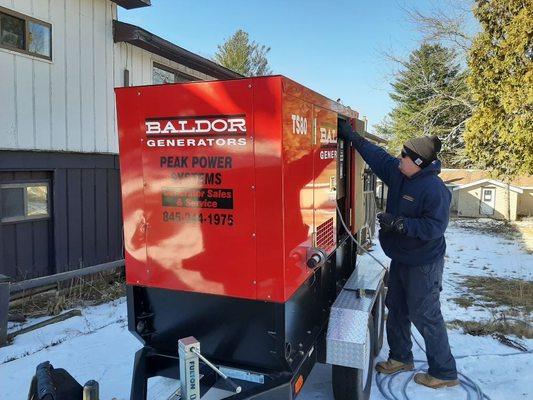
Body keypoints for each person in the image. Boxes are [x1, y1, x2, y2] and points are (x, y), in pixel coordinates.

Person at [338, 121, 459, 389]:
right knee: (397, 307)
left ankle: (444, 371)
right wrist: (354, 138)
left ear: (417, 162)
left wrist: (400, 224)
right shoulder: (400, 173)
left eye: (404, 156)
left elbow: (435, 227)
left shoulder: (434, 190)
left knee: (425, 314)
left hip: (424, 262)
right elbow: (378, 157)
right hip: (402, 258)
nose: (399, 158)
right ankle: (401, 357)